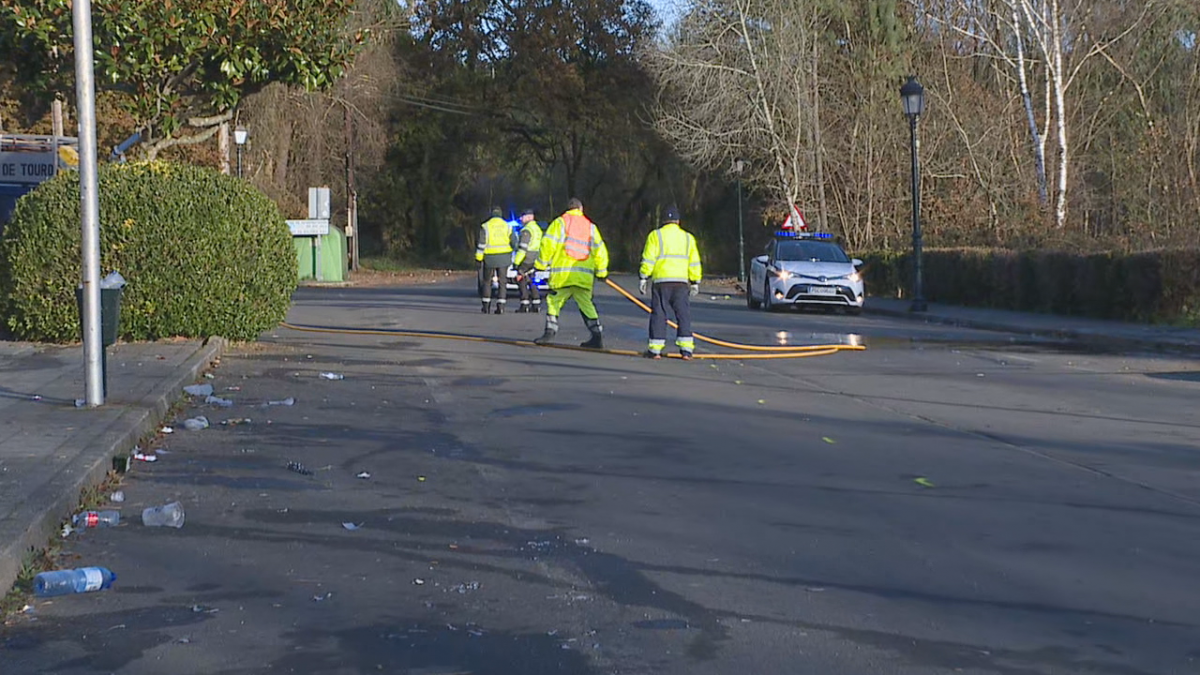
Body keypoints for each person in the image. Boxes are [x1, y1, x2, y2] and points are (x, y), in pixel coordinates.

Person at [533, 198, 609, 348]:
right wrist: (601, 272)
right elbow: (600, 250)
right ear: (581, 209)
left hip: (563, 275)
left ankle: (550, 332)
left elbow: (548, 245)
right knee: (586, 304)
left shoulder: (560, 223)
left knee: (554, 301)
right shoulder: (590, 227)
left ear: (568, 209)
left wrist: (540, 265)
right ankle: (596, 336)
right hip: (583, 276)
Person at [638, 204, 702, 359]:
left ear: (663, 220)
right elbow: (694, 261)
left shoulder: (655, 236)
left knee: (659, 314)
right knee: (683, 314)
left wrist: (643, 277)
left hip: (661, 282)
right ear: (678, 221)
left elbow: (648, 259)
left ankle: (655, 350)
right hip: (681, 282)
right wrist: (695, 281)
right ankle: (686, 350)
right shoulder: (688, 238)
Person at [475, 207, 513, 314]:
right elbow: (514, 242)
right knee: (502, 282)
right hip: (504, 258)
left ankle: (486, 306)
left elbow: (481, 244)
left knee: (487, 281)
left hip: (490, 258)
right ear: (501, 215)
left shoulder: (486, 226)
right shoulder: (507, 226)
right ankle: (501, 306)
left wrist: (478, 259)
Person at [512, 208, 543, 313]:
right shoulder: (537, 229)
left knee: (521, 280)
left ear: (529, 217)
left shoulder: (526, 230)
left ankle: (524, 304)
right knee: (532, 281)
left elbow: (522, 249)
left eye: (523, 216)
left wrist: (516, 263)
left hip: (526, 258)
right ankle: (536, 303)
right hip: (535, 257)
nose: (521, 218)